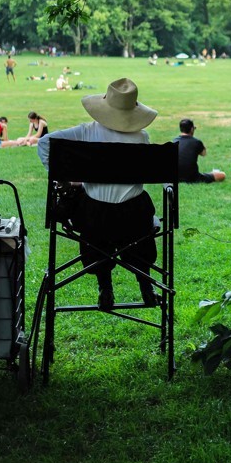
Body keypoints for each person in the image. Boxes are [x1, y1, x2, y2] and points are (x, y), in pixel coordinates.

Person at [37, 77, 160, 311]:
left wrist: (63, 180)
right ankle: (146, 285)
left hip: (94, 220)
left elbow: (44, 143)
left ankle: (105, 287)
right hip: (133, 220)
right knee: (139, 219)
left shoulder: (86, 132)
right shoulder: (142, 137)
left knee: (94, 213)